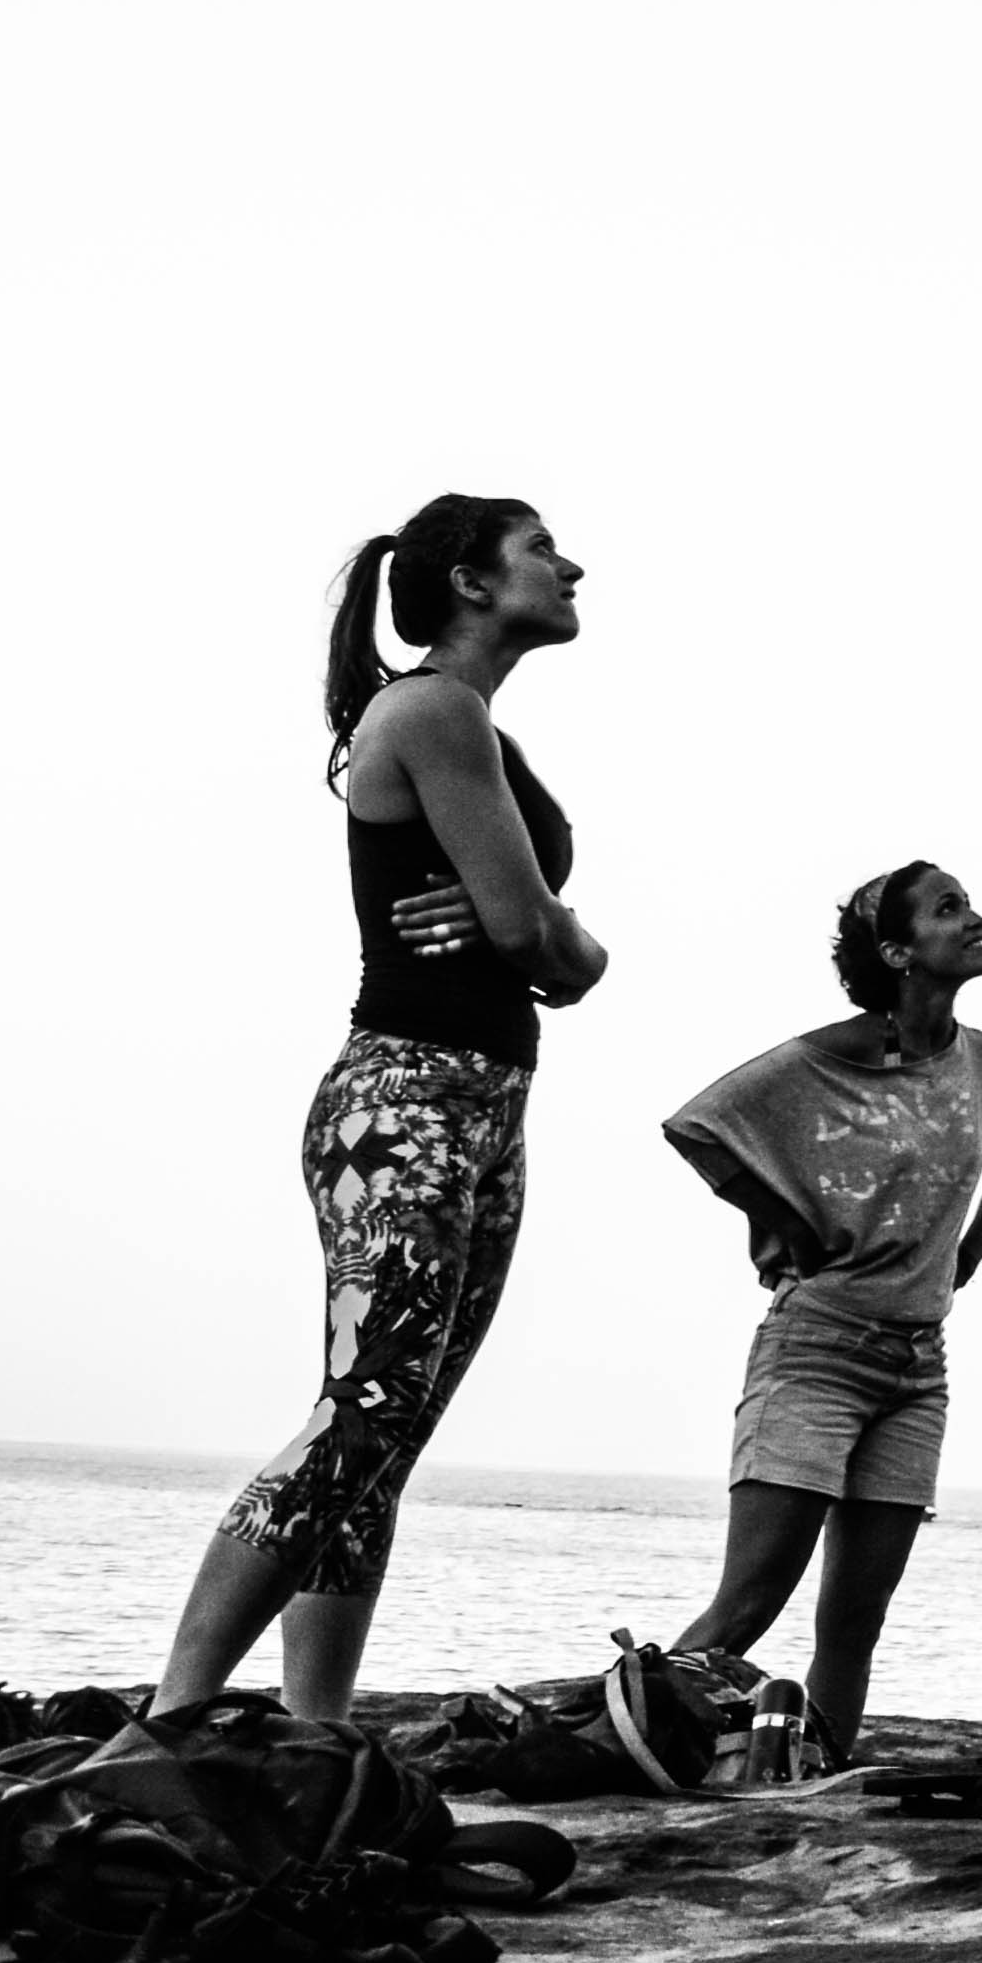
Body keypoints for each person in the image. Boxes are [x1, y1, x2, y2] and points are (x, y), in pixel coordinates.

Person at [140, 499, 610, 1732]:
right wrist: (539, 929)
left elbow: (567, 952)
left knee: (387, 1432)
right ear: (468, 578)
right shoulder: (434, 710)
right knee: (366, 1407)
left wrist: (547, 933)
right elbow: (532, 938)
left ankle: (310, 1728)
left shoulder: (478, 728)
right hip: (403, 1098)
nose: (571, 566)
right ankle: (174, 1713)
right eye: (540, 548)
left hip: (484, 1102)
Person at [653, 862, 982, 1765]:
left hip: (918, 1369)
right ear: (899, 951)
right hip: (816, 1352)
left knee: (855, 1620)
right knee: (746, 1608)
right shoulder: (823, 1057)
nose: (974, 916)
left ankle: (818, 1770)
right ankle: (627, 1740)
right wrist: (781, 1219)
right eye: (950, 908)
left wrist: (966, 1258)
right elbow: (698, 1126)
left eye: (967, 901)